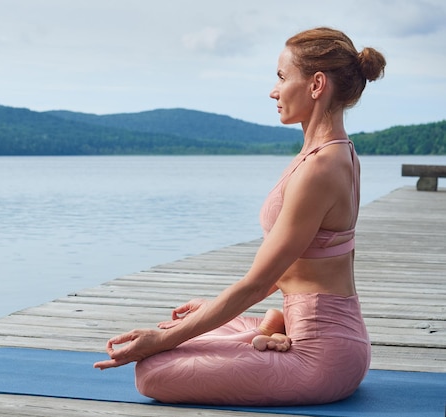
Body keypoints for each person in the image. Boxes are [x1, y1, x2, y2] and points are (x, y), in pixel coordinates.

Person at [94, 27, 386, 406]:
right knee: (191, 323)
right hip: (330, 331)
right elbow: (292, 264)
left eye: (281, 77)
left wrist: (159, 342)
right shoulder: (333, 152)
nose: (273, 90)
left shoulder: (320, 169)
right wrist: (208, 312)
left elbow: (255, 282)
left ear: (316, 84)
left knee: (153, 372)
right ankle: (272, 327)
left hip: (321, 359)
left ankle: (272, 330)